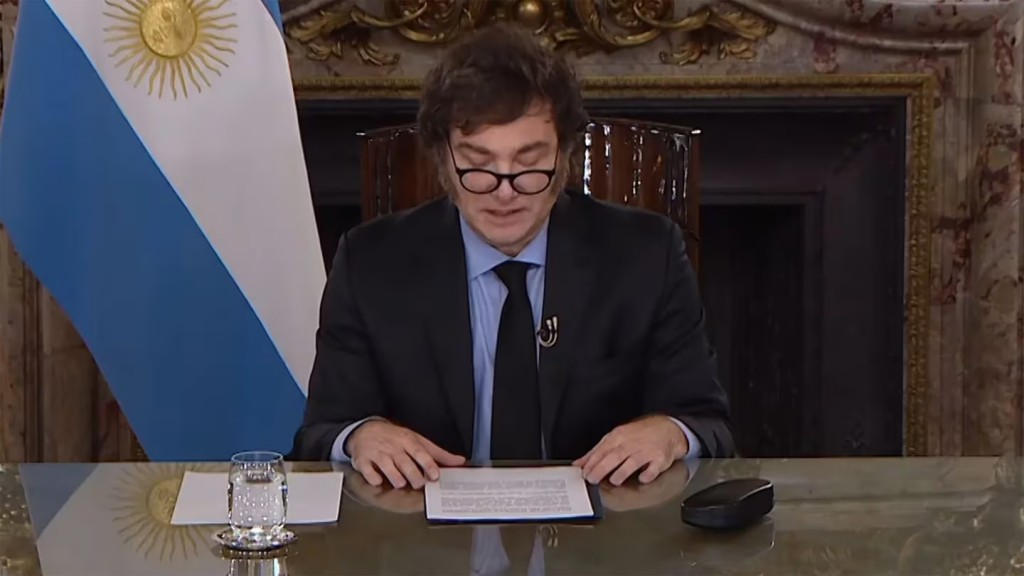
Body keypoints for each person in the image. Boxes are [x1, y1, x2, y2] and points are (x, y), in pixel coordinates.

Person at [290, 22, 734, 489]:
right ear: (443, 161)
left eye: (528, 163)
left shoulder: (646, 256)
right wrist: (360, 436)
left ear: (564, 157)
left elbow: (710, 424)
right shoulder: (371, 262)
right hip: (424, 528)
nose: (505, 192)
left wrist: (669, 432)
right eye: (479, 165)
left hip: (602, 527)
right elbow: (318, 435)